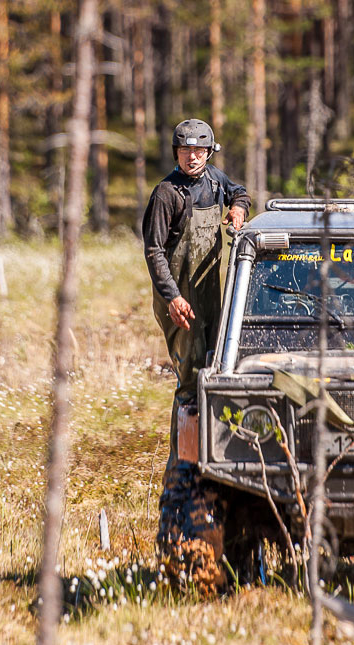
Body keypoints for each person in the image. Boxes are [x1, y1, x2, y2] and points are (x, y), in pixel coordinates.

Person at [143, 118, 251, 468]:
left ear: (209, 152)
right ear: (176, 152)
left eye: (199, 150)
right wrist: (172, 297)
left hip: (208, 295)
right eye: (186, 150)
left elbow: (240, 192)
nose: (193, 157)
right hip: (178, 300)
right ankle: (183, 467)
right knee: (190, 380)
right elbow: (154, 251)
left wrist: (238, 207)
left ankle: (218, 453)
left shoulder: (214, 179)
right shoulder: (166, 193)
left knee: (217, 366)